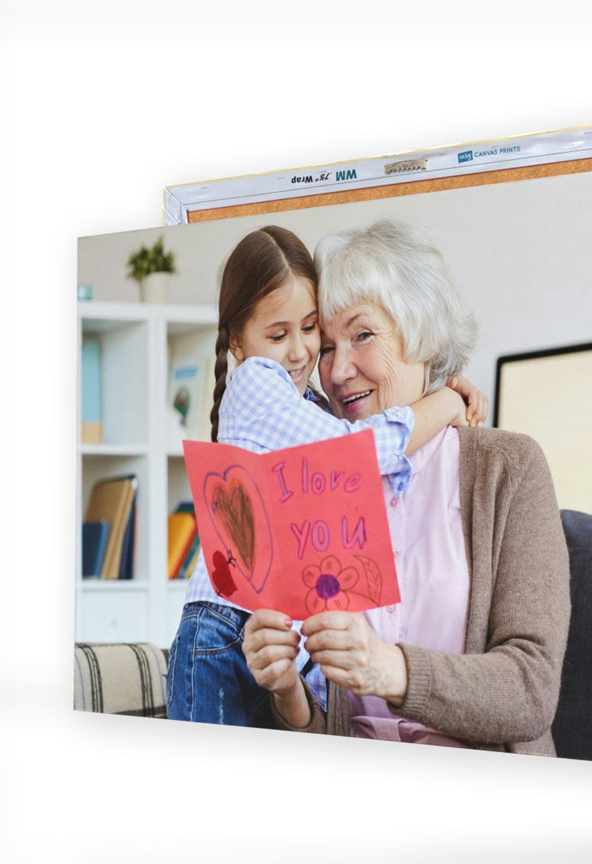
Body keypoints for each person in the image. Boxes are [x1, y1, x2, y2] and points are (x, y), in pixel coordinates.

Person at [242, 219, 572, 756]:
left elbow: (531, 691)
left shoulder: (507, 468)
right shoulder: (322, 482)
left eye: (363, 335)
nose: (339, 369)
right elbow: (334, 725)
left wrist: (387, 668)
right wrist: (287, 693)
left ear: (423, 334)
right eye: (326, 347)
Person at [166, 225, 486, 727]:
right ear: (237, 343)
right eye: (277, 335)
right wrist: (445, 400)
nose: (301, 353)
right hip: (225, 631)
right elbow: (359, 452)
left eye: (310, 328)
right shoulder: (257, 382)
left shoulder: (305, 408)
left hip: (266, 638)